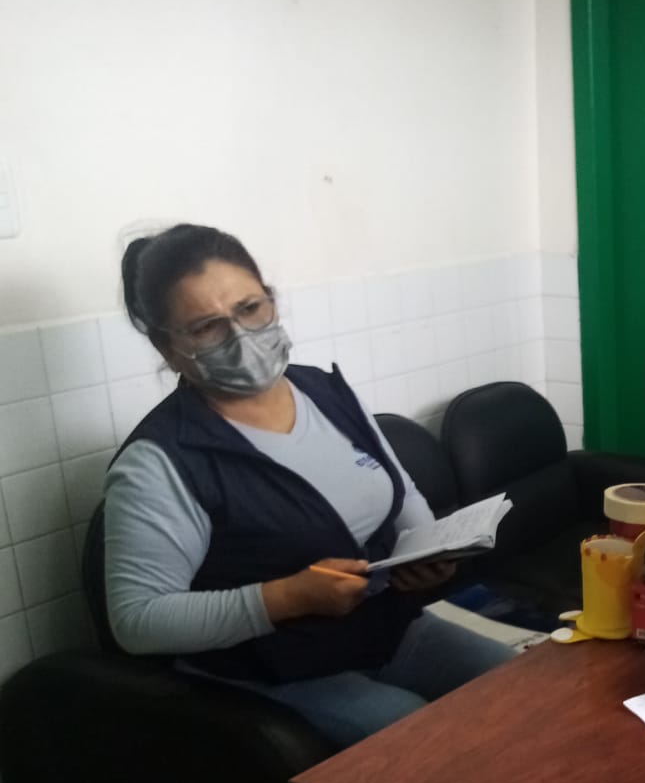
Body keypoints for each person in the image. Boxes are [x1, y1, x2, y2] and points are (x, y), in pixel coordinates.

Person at [104, 223, 515, 747]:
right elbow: (137, 621)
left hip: (389, 630)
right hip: (277, 668)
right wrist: (285, 598)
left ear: (271, 301)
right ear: (167, 347)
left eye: (250, 308)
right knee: (424, 743)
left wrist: (426, 555)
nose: (240, 336)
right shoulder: (161, 459)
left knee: (523, 689)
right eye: (207, 327)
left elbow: (400, 490)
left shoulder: (323, 390)